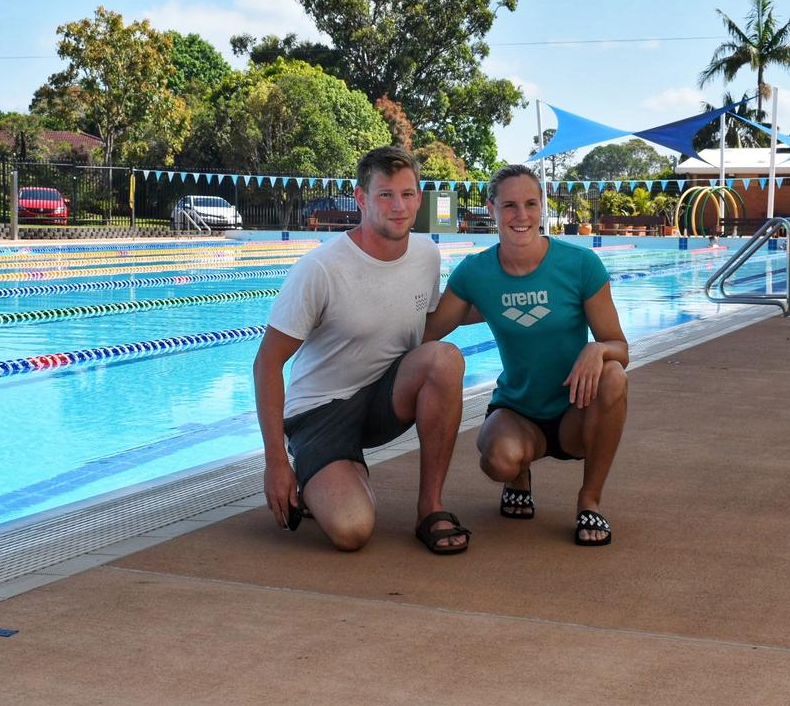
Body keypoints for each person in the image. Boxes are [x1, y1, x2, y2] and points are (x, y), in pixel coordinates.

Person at [253, 146, 471, 555]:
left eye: (407, 194)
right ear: (361, 198)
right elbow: (267, 363)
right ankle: (322, 473)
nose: (398, 206)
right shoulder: (321, 269)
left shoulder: (426, 253)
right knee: (353, 531)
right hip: (319, 412)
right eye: (385, 194)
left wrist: (505, 302)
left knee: (445, 358)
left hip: (382, 399)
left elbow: (427, 325)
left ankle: (430, 508)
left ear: (419, 198)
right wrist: (275, 463)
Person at [425, 164, 628, 546]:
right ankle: (520, 475)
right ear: (492, 209)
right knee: (499, 460)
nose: (522, 216)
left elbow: (620, 347)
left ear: (542, 207)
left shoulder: (580, 265)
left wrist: (597, 349)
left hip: (575, 411)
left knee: (614, 375)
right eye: (510, 206)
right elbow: (430, 331)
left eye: (531, 204)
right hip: (517, 411)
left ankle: (590, 500)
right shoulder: (475, 273)